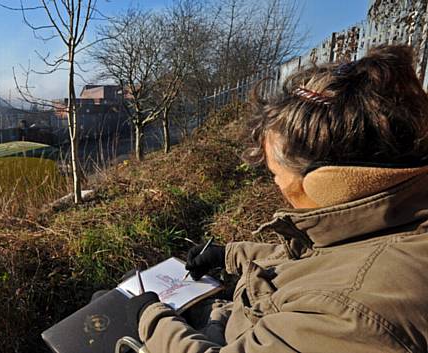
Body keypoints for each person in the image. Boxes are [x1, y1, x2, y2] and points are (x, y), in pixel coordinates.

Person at [125, 45, 428, 352]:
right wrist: (230, 255)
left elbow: (331, 283)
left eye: (274, 172)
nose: (275, 184)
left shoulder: (348, 314)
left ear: (326, 181)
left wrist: (149, 315)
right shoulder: (399, 224)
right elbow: (322, 260)